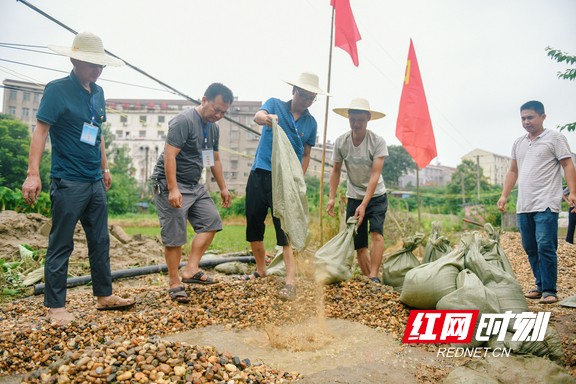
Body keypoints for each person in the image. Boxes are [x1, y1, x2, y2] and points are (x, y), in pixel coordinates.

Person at [21, 32, 135, 325]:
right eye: (92, 65)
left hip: (94, 180)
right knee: (62, 243)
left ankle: (104, 295)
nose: (97, 71)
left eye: (101, 66)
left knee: (100, 240)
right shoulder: (57, 90)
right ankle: (56, 307)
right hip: (68, 180)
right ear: (74, 60)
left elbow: (97, 134)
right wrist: (33, 174)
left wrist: (105, 168)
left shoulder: (98, 93)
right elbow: (41, 131)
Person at [244, 72, 328, 300]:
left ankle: (290, 281)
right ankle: (261, 270)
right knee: (254, 221)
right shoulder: (275, 105)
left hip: (286, 180)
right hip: (260, 172)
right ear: (294, 92)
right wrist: (267, 118)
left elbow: (307, 153)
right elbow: (257, 116)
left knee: (285, 229)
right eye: (304, 96)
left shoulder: (310, 123)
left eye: (312, 98)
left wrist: (297, 178)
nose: (307, 101)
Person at [151, 83, 233, 303]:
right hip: (170, 181)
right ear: (204, 99)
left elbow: (213, 159)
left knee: (212, 221)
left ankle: (191, 269)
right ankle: (174, 282)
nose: (218, 115)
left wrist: (223, 187)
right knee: (175, 233)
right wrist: (173, 189)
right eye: (216, 109)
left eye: (223, 113)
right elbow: (169, 155)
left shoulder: (213, 128)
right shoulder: (183, 121)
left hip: (193, 183)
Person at [497, 100, 576, 304]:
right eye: (523, 118)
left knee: (545, 245)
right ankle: (540, 285)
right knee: (530, 246)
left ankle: (550, 290)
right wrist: (504, 195)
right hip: (524, 204)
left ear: (543, 116)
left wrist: (573, 192)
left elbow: (567, 165)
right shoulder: (519, 143)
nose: (526, 122)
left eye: (530, 117)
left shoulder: (555, 138)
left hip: (547, 202)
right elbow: (513, 171)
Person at [327, 98, 389, 284]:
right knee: (359, 242)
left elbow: (374, 175)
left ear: (368, 118)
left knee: (376, 234)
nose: (356, 124)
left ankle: (374, 275)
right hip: (353, 196)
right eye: (353, 119)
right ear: (348, 118)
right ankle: (370, 279)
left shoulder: (377, 142)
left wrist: (364, 204)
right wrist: (331, 197)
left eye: (360, 120)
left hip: (376, 195)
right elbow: (336, 170)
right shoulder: (341, 142)